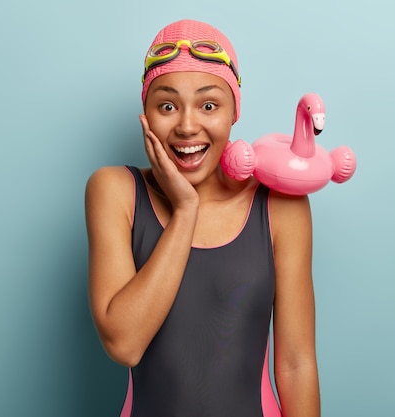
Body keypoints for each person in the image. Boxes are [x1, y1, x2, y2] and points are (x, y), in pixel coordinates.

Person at [85, 19, 320, 417]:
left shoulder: (279, 204)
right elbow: (124, 344)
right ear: (145, 113)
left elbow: (297, 364)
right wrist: (185, 210)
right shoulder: (115, 191)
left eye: (209, 105)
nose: (188, 126)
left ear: (233, 113)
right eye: (167, 105)